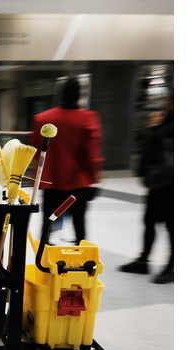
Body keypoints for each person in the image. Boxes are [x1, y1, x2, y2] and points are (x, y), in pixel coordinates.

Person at [28, 77, 103, 245]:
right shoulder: (88, 119)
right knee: (79, 226)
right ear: (80, 95)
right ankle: (81, 257)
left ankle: (44, 256)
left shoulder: (43, 119)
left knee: (47, 225)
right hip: (78, 182)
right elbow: (92, 155)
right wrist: (94, 180)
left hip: (52, 182)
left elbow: (34, 150)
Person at [120, 93, 174, 284]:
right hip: (160, 181)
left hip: (170, 182)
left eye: (169, 100)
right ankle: (143, 260)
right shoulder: (167, 120)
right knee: (149, 220)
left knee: (172, 225)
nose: (166, 103)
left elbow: (164, 142)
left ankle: (172, 266)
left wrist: (154, 127)